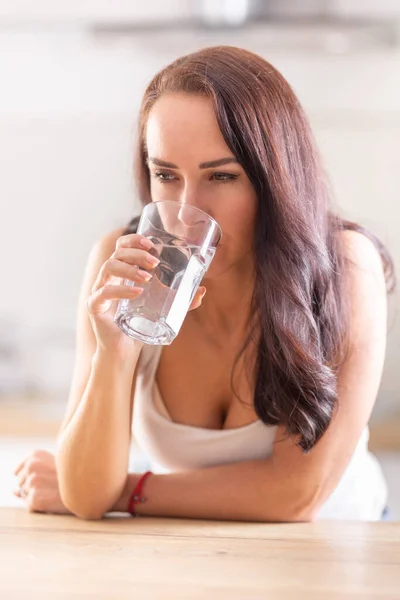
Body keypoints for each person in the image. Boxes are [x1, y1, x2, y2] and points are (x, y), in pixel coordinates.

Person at [14, 46, 395, 521]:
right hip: (199, 555)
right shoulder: (121, 264)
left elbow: (295, 495)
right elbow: (87, 497)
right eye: (166, 175)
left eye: (221, 175)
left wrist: (127, 491)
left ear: (273, 179)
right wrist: (116, 354)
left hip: (338, 554)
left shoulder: (344, 268)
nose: (188, 211)